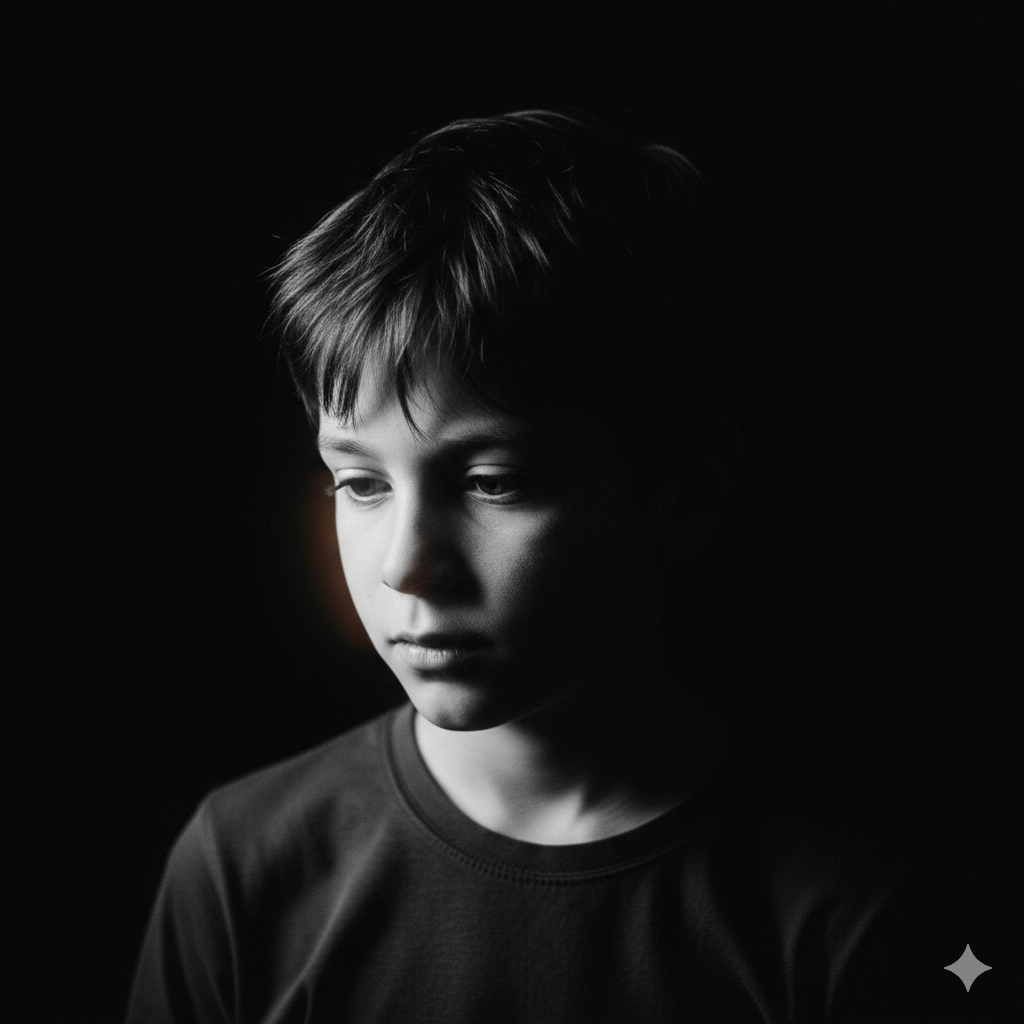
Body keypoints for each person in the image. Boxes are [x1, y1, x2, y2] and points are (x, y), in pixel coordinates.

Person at [126, 110, 941, 1023]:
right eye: (360, 485)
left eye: (493, 482)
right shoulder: (244, 867)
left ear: (685, 495)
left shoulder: (852, 911)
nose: (406, 566)